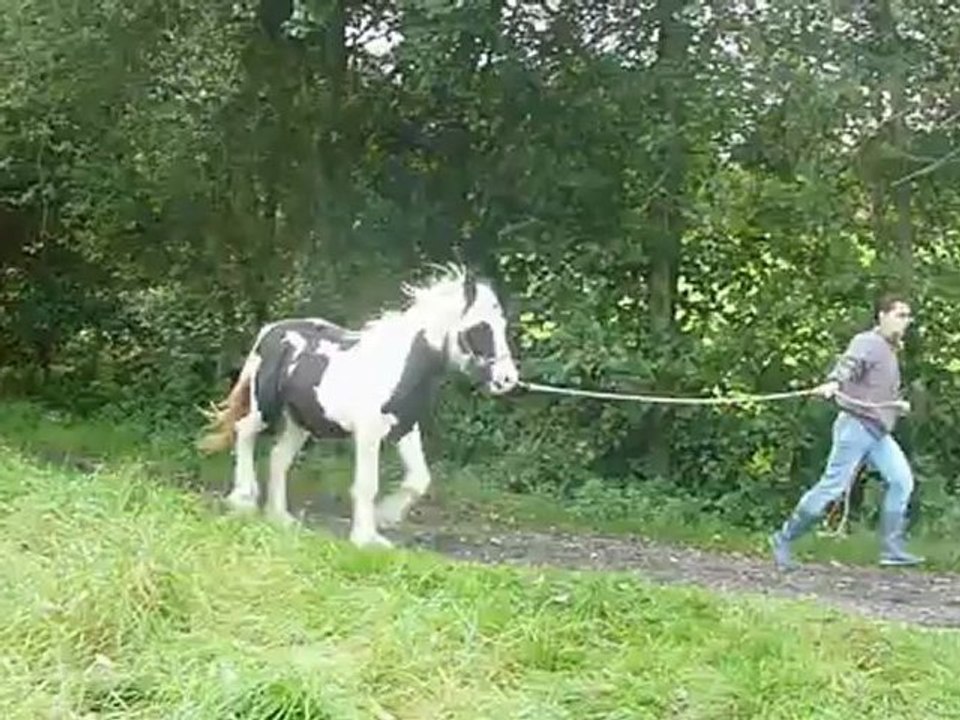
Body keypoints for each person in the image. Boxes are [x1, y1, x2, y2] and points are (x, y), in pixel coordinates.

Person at [770, 292, 923, 570]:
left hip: (877, 432)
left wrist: (895, 405)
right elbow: (849, 365)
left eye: (907, 317)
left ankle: (891, 549)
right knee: (832, 488)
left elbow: (874, 389)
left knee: (902, 481)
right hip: (855, 426)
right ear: (882, 315)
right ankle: (783, 538)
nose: (905, 322)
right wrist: (834, 383)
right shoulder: (868, 342)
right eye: (900, 315)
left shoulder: (890, 349)